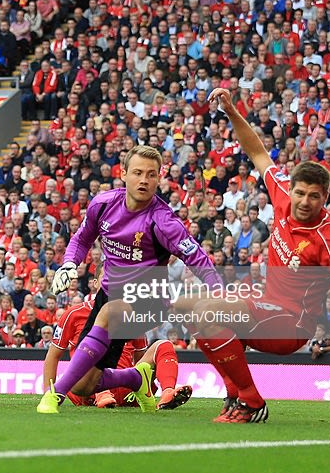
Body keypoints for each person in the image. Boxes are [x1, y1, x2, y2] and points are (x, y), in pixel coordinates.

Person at [168, 87, 330, 423]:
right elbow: (257, 151)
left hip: (293, 324)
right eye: (300, 193)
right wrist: (231, 111)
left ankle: (252, 402)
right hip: (266, 305)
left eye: (314, 196)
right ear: (290, 189)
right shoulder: (280, 193)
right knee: (184, 305)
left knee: (207, 311)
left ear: (325, 197)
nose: (305, 202)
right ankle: (234, 394)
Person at [37, 146, 222, 414]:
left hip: (150, 300)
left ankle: (55, 395)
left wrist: (218, 291)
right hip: (110, 294)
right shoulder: (103, 205)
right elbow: (81, 239)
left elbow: (196, 257)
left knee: (110, 312)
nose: (144, 180)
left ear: (159, 178)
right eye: (137, 173)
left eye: (151, 174)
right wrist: (69, 263)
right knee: (84, 385)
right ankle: (137, 378)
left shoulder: (163, 221)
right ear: (123, 174)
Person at [43, 287, 193, 410]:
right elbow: (53, 355)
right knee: (92, 363)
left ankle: (167, 393)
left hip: (124, 389)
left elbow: (141, 360)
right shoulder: (74, 314)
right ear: (96, 283)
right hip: (86, 387)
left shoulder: (131, 313)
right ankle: (102, 394)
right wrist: (47, 392)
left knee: (164, 345)